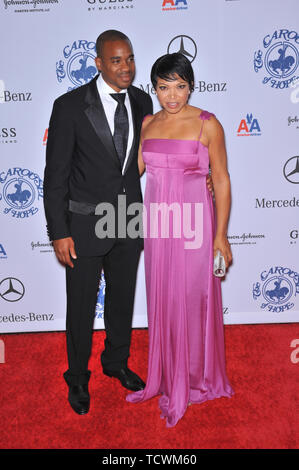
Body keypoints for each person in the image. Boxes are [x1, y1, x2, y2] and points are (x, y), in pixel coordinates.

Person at [44, 30, 153, 415]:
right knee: (81, 306)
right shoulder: (70, 106)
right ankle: (76, 376)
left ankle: (116, 363)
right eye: (117, 61)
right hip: (85, 224)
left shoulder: (142, 100)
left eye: (130, 59)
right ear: (99, 63)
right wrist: (59, 231)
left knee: (122, 299)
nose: (126, 67)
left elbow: (149, 153)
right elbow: (55, 174)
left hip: (129, 219)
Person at [126, 53, 234, 427]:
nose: (172, 96)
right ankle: (168, 376)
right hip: (159, 224)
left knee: (192, 298)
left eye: (180, 86)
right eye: (163, 87)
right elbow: (133, 169)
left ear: (191, 85)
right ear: (153, 88)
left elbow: (220, 178)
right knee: (165, 299)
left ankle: (197, 379)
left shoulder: (208, 124)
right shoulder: (147, 123)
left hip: (195, 225)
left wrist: (221, 235)